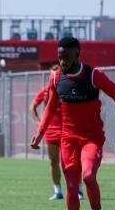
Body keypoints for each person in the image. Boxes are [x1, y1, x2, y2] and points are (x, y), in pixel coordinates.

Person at [30, 37, 115, 210]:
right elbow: (50, 108)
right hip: (68, 139)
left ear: (77, 54)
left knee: (87, 176)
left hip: (91, 138)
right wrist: (40, 133)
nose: (63, 62)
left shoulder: (94, 75)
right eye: (60, 57)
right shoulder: (55, 77)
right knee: (70, 185)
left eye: (67, 57)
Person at [29, 64, 84, 201]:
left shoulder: (68, 88)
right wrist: (39, 122)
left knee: (72, 162)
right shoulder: (46, 90)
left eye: (57, 74)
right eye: (52, 74)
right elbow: (32, 107)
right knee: (53, 161)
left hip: (68, 130)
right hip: (51, 131)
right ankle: (57, 191)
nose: (55, 76)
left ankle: (78, 190)